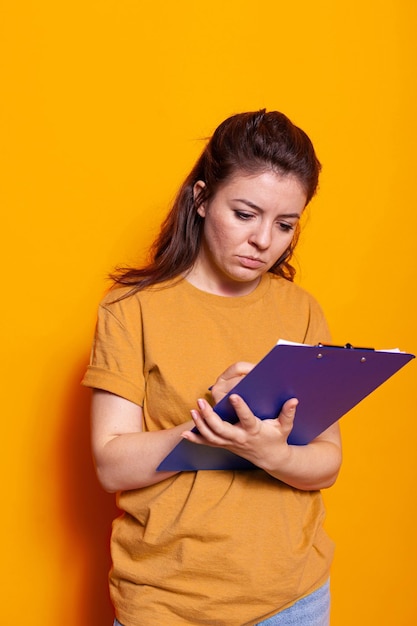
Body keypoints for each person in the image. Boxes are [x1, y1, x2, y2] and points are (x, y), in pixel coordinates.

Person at [82, 109, 342, 626]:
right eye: (245, 214)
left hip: (295, 598)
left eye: (285, 224)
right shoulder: (131, 309)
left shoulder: (302, 310)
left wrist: (270, 452)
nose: (264, 240)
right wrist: (212, 428)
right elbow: (111, 464)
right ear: (201, 198)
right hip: (167, 602)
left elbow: (327, 463)